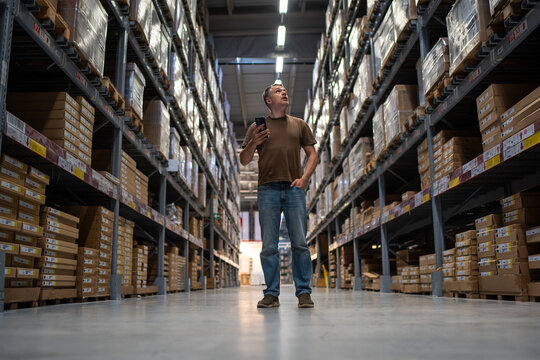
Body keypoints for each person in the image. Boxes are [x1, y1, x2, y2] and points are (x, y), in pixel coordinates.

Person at [240, 83, 318, 308]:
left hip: (294, 189)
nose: (283, 92)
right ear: (268, 101)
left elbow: (313, 155)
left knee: (300, 244)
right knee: (269, 246)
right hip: (267, 189)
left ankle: (304, 293)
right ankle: (271, 294)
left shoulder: (299, 125)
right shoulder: (257, 127)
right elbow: (244, 160)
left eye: (284, 90)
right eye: (277, 91)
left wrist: (304, 179)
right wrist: (254, 142)